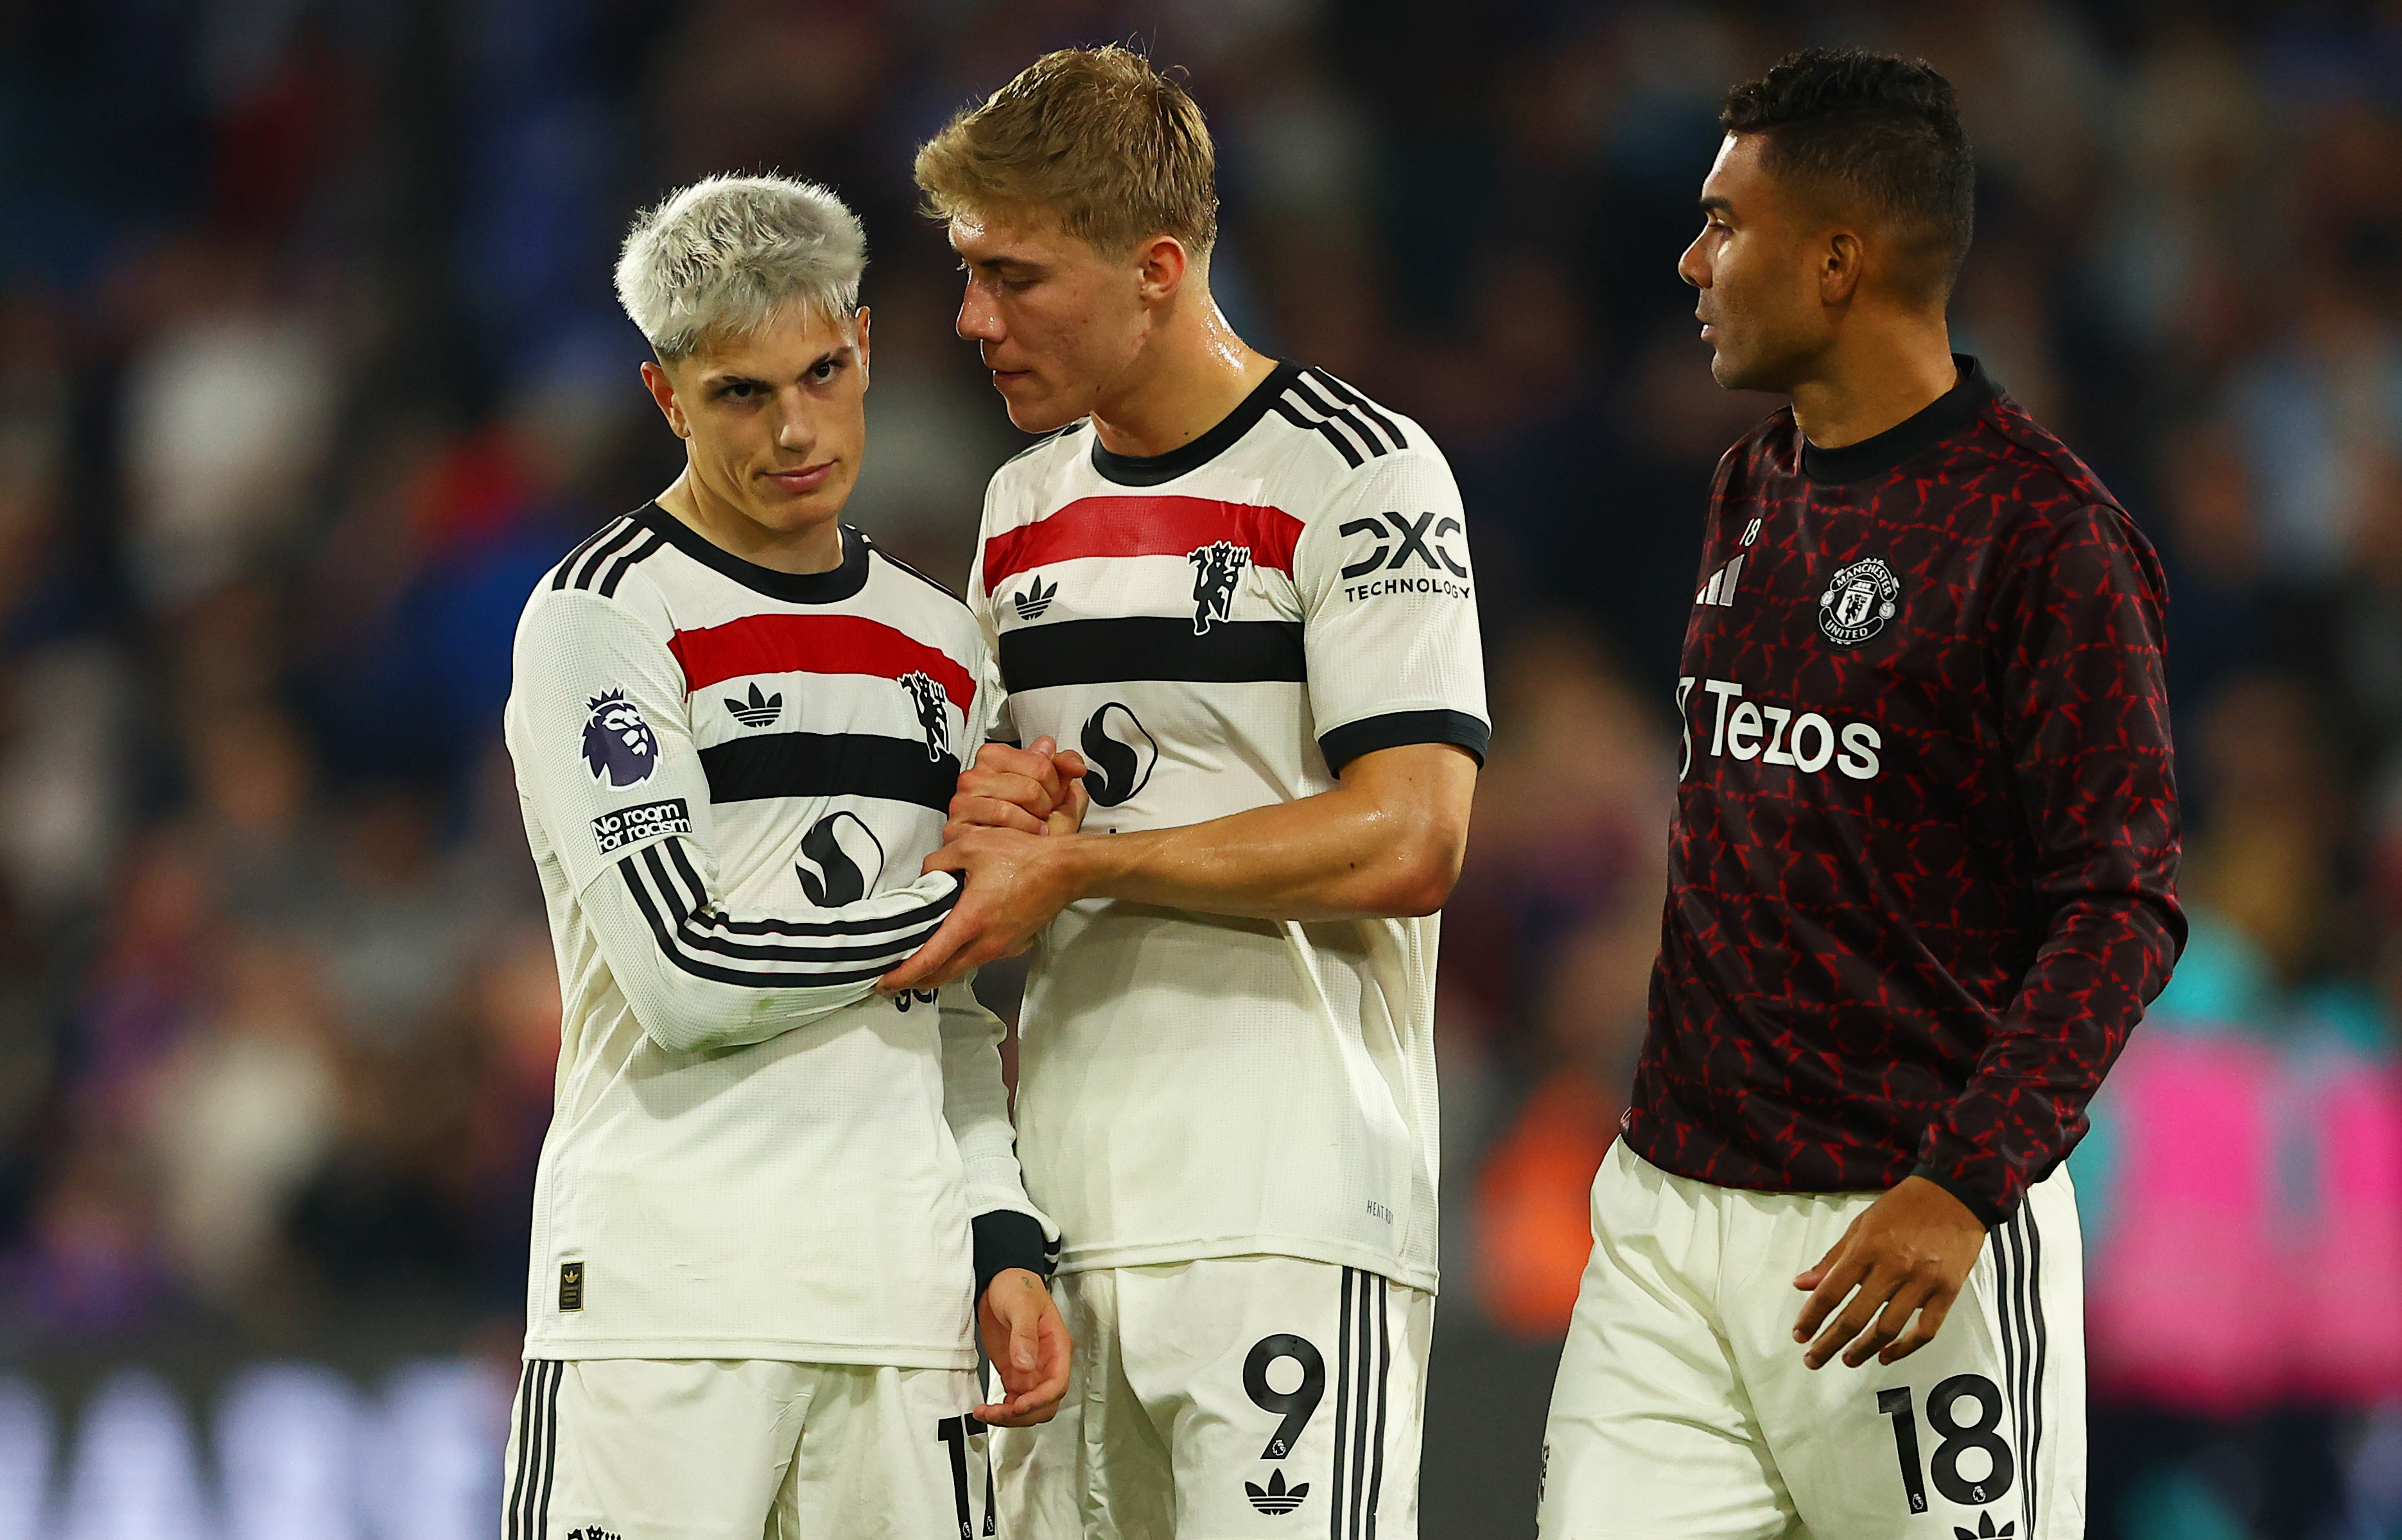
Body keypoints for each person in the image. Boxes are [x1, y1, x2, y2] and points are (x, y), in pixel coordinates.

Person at [1535, 50, 2182, 1540]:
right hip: (1666, 1224)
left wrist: (1965, 1184)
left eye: (1720, 224)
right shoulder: (1743, 487)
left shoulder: (2043, 536)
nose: (1686, 260)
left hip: (1904, 1237)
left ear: (1834, 260)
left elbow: (2122, 903)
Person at [882, 46, 1487, 1540]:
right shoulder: (1020, 505)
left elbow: (1414, 832)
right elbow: (984, 845)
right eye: (965, 274)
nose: (973, 318)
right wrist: (1000, 819)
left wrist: (1086, 866)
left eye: (1013, 276)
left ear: (1155, 268)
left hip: (1284, 1195)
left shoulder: (1359, 475)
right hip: (1065, 1205)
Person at [498, 173, 1068, 1539]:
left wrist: (996, 1236)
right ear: (665, 399)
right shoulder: (602, 618)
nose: (796, 429)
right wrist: (957, 899)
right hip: (666, 1301)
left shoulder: (943, 644)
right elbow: (687, 972)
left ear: (866, 342)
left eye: (820, 371)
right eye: (741, 395)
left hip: (899, 1303)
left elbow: (951, 1013)